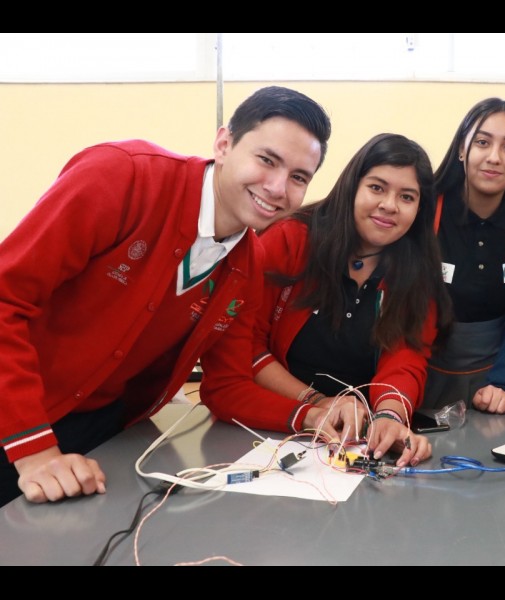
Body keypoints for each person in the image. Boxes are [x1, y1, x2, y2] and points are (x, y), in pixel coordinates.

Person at [0, 86, 332, 506]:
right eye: (267, 160)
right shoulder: (123, 176)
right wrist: (35, 451)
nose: (278, 187)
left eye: (299, 177)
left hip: (98, 427)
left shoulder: (248, 267)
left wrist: (312, 416)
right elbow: (6, 297)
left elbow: (227, 384)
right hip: (16, 408)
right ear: (224, 143)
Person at [201, 133, 452, 468]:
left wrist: (389, 416)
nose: (389, 205)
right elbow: (247, 346)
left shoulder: (417, 269)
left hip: (354, 440)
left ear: (420, 208)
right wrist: (317, 403)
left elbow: (406, 357)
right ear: (352, 186)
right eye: (376, 188)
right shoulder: (291, 239)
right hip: (268, 426)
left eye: (407, 197)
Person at [422, 98, 505, 414]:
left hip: (496, 380)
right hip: (422, 371)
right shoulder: (426, 210)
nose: (494, 157)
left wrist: (501, 382)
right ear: (462, 150)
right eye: (482, 142)